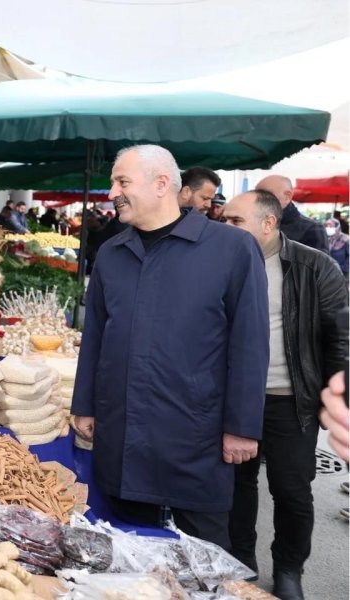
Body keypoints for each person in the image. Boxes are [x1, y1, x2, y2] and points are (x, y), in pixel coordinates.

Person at [71, 145, 268, 549]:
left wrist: (242, 428)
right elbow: (95, 336)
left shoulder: (231, 248)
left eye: (122, 182)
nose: (112, 193)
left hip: (195, 436)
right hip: (122, 432)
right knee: (128, 553)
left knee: (203, 558)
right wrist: (85, 403)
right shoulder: (111, 253)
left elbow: (250, 344)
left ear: (161, 183)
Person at [222, 190, 347, 599]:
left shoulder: (315, 266)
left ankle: (289, 568)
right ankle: (240, 562)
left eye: (236, 221)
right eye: (224, 220)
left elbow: (340, 338)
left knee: (292, 491)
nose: (226, 228)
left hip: (291, 400)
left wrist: (334, 398)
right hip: (233, 398)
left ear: (269, 223)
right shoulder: (219, 263)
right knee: (235, 486)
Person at [256, 175, 328, 252]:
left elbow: (318, 259)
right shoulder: (254, 222)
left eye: (265, 194)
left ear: (287, 196)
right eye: (256, 194)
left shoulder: (312, 229)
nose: (257, 199)